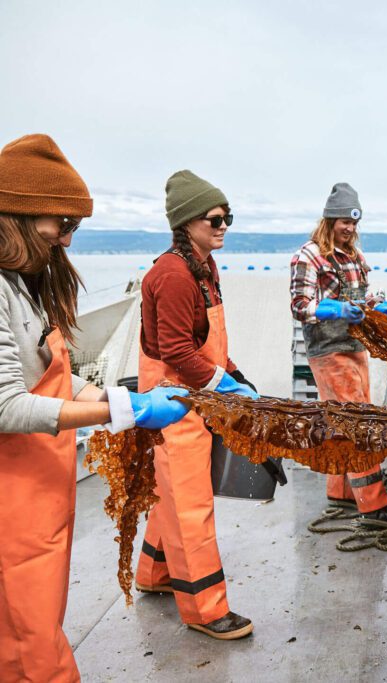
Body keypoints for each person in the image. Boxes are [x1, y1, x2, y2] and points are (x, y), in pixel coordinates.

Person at [0, 134, 189, 682]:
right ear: (19, 214)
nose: (66, 239)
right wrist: (124, 414)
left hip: (41, 494)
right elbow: (7, 406)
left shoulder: (26, 285)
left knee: (40, 619)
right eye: (62, 224)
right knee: (26, 640)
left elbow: (59, 384)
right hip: (12, 501)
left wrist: (126, 399)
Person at [133, 170, 259, 641]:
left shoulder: (205, 267)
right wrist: (221, 385)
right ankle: (205, 610)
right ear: (187, 223)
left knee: (172, 493)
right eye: (215, 218)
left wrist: (237, 376)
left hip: (198, 392)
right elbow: (175, 352)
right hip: (174, 401)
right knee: (191, 505)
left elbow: (206, 343)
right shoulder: (171, 274)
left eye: (228, 217)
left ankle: (154, 573)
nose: (224, 225)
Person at [289, 182, 387, 527]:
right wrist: (335, 311)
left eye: (355, 223)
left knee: (344, 425)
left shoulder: (355, 256)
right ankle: (374, 509)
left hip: (355, 350)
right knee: (360, 427)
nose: (350, 229)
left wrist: (380, 309)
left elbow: (362, 298)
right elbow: (300, 306)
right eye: (344, 222)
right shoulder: (308, 256)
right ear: (329, 220)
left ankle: (341, 495)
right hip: (328, 352)